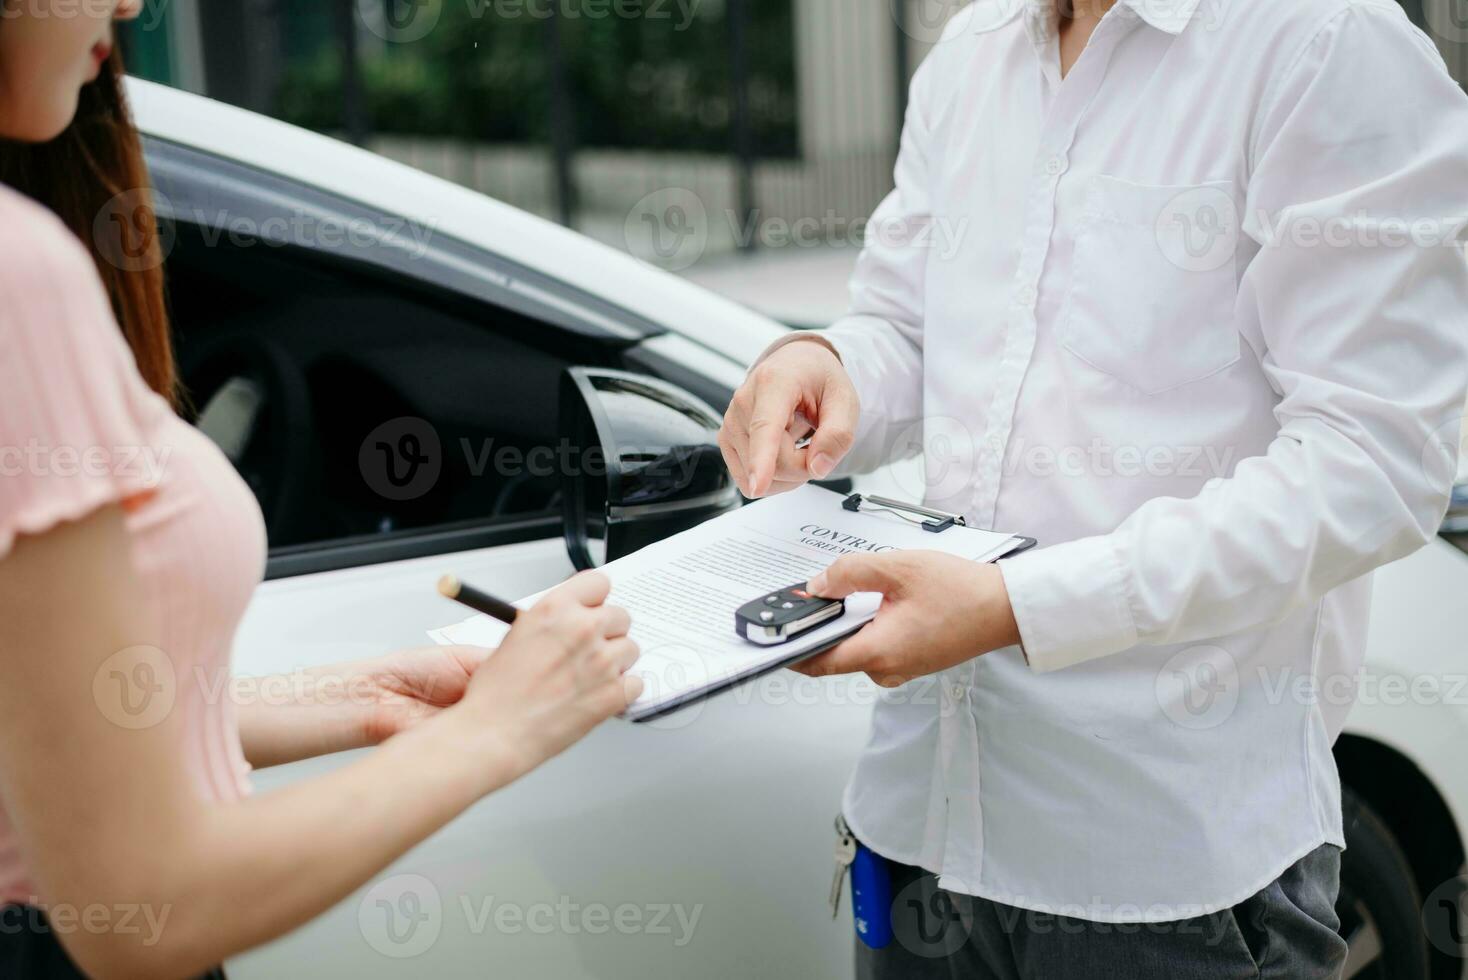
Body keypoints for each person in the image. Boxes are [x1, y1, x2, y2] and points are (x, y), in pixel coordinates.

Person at [719, 0, 1468, 976]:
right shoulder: (973, 49)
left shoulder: (1324, 41)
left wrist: (1015, 606)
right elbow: (906, 324)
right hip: (918, 829)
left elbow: (1372, 462)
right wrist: (827, 365)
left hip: (1166, 882)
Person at [0, 6, 642, 979]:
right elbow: (142, 907)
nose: (129, 3)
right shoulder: (21, 274)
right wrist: (497, 730)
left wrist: (357, 694)